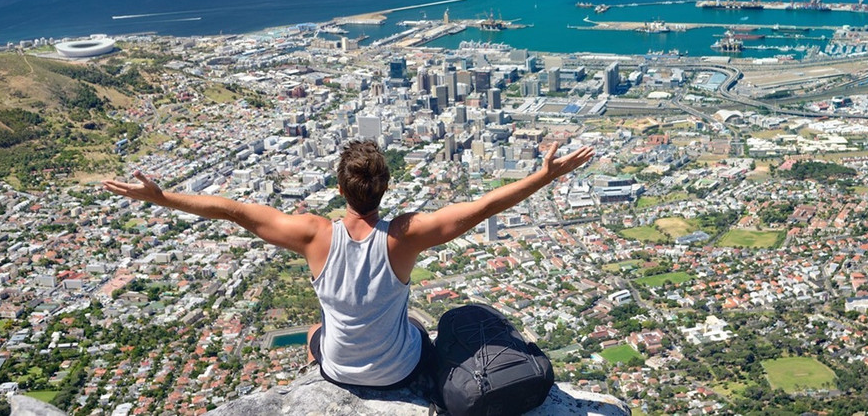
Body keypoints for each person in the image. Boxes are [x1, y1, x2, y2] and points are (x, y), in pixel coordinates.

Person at [102, 139, 594, 396]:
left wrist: (162, 197)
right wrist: (544, 175)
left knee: (317, 326)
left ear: (341, 189)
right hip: (400, 372)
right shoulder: (404, 236)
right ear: (384, 188)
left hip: (338, 371)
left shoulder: (314, 235)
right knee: (419, 327)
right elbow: (484, 208)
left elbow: (231, 210)